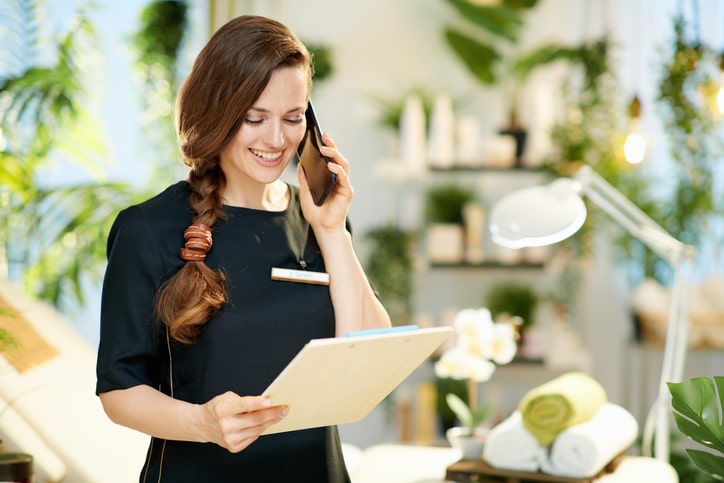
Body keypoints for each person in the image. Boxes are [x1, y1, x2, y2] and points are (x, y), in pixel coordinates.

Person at [95, 14, 391, 482]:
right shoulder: (148, 229)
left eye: (293, 118)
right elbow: (119, 392)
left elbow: (366, 355)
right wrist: (203, 423)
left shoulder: (321, 218)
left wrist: (334, 231)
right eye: (255, 118)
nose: (276, 140)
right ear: (219, 112)